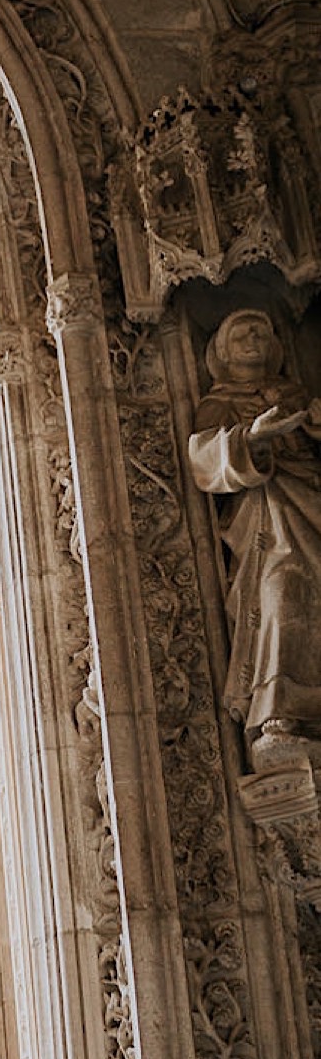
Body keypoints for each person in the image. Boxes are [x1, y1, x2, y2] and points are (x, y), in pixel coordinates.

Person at [187, 305, 321, 758]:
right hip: (269, 517)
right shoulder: (218, 403)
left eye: (261, 333)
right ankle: (278, 713)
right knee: (282, 595)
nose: (253, 340)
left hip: (312, 498)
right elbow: (203, 461)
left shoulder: (296, 395)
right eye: (242, 333)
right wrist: (251, 438)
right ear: (222, 351)